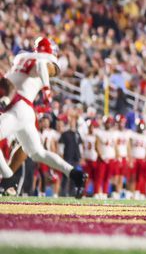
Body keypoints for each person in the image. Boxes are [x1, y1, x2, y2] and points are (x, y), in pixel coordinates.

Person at [0, 37, 87, 198]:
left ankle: (7, 179)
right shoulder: (45, 61)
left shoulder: (21, 56)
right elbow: (41, 64)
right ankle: (75, 174)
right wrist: (47, 89)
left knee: (37, 153)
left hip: (17, 106)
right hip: (22, 108)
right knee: (37, 153)